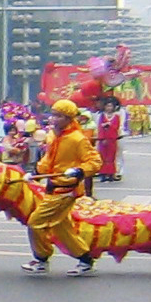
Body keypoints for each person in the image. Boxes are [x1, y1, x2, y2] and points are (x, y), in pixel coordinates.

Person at [22, 99, 101, 276]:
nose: (53, 119)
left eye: (59, 116)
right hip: (53, 186)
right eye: (53, 114)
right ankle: (85, 259)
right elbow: (48, 159)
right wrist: (35, 172)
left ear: (68, 118)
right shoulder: (52, 135)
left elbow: (95, 162)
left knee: (35, 223)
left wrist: (79, 170)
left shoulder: (78, 139)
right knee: (61, 228)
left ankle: (41, 259)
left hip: (66, 190)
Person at [96, 97, 124, 182]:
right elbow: (100, 128)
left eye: (110, 106)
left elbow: (116, 127)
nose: (109, 108)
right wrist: (102, 138)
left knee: (111, 157)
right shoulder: (101, 116)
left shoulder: (116, 116)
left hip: (112, 139)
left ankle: (111, 173)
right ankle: (103, 174)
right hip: (103, 140)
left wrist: (109, 125)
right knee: (103, 157)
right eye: (107, 106)